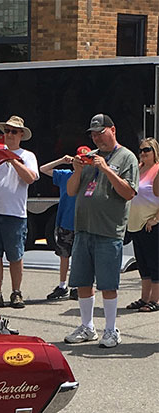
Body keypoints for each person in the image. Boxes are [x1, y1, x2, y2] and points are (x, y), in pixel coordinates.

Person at [64, 113, 139, 348]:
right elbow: (71, 191)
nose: (97, 138)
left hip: (108, 230)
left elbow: (128, 192)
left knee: (108, 284)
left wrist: (107, 169)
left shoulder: (126, 157)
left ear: (112, 130)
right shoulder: (89, 157)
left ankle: (111, 329)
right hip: (84, 228)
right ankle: (87, 326)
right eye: (93, 134)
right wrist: (77, 169)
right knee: (82, 282)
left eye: (100, 132)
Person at [0, 115, 38, 309]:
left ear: (21, 134)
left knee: (15, 256)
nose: (9, 135)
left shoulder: (28, 155)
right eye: (7, 131)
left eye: (13, 131)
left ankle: (16, 292)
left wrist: (12, 160)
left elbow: (30, 178)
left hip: (15, 213)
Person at [39, 148, 83, 300]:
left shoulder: (91, 177)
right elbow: (43, 169)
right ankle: (62, 285)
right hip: (65, 222)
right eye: (79, 160)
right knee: (64, 255)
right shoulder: (65, 175)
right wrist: (62, 160)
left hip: (83, 224)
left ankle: (77, 286)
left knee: (79, 256)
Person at [124, 136, 159, 312]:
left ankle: (156, 299)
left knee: (154, 262)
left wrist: (156, 218)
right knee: (142, 263)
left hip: (150, 223)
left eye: (147, 150)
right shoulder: (138, 170)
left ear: (155, 152)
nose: (143, 153)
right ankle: (145, 298)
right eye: (141, 150)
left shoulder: (157, 170)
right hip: (135, 223)